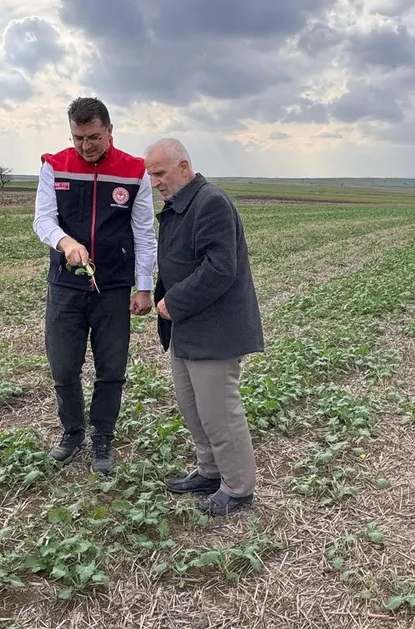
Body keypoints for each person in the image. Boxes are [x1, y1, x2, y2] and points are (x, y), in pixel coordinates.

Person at [33, 97, 157, 474]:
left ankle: (103, 435)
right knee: (64, 367)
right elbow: (43, 220)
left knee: (111, 367)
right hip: (65, 286)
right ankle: (72, 432)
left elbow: (143, 232)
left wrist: (144, 286)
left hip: (113, 287)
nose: (85, 146)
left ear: (109, 131)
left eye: (93, 137)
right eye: (78, 138)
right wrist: (65, 243)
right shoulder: (54, 165)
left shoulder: (134, 171)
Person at [144, 137, 264, 517]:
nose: (155, 182)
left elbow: (220, 268)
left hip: (214, 331)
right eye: (150, 175)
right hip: (187, 328)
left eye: (160, 173)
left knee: (219, 412)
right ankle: (210, 472)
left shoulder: (210, 202)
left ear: (184, 167)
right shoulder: (179, 206)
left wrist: (173, 302)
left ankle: (238, 488)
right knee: (193, 408)